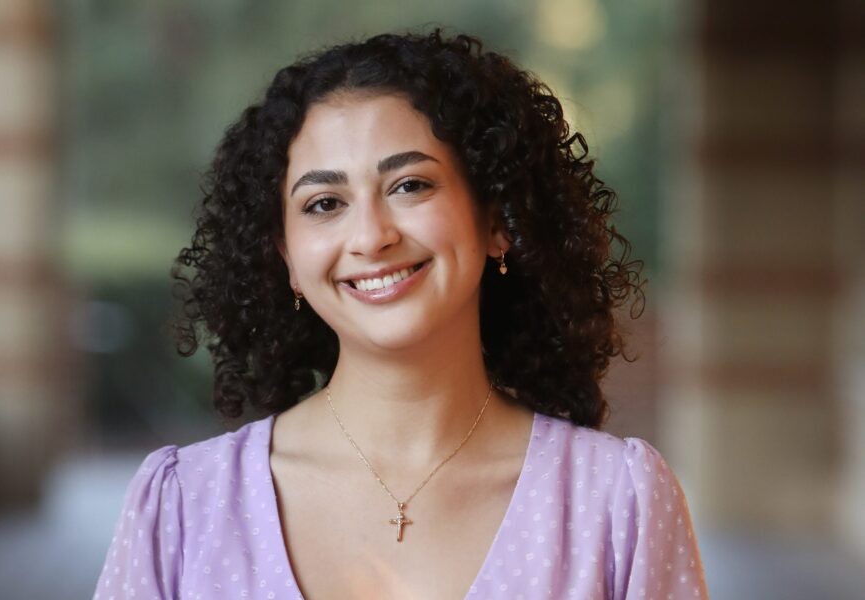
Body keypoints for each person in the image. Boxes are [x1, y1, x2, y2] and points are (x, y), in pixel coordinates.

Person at [93, 30, 708, 600]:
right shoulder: (182, 508)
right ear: (285, 256)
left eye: (410, 186)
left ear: (498, 221)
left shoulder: (617, 504)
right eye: (324, 202)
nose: (371, 236)